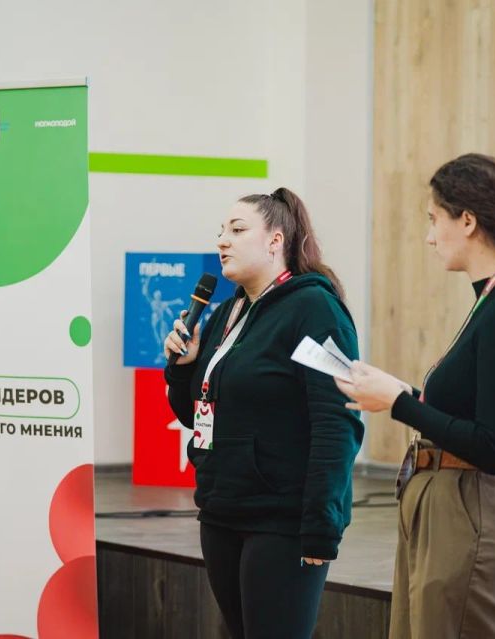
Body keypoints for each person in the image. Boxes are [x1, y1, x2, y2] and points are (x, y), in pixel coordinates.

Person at [335, 153, 495, 639]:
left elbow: (493, 446)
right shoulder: (494, 302)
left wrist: (400, 403)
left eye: (433, 219)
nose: (429, 236)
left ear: (467, 220)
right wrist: (398, 392)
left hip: (476, 515)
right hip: (456, 513)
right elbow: (468, 412)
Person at [164, 187, 363, 639]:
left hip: (282, 520)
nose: (222, 241)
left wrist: (322, 523)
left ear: (276, 240)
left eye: (237, 230)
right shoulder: (227, 313)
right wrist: (184, 368)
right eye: (221, 231)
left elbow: (337, 421)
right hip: (221, 511)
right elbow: (196, 416)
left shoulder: (315, 309)